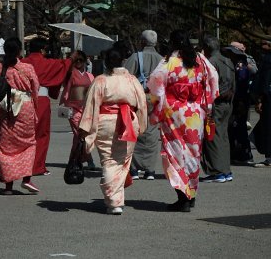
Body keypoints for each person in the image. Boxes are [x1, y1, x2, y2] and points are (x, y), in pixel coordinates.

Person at [147, 30, 219, 212]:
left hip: (175, 113)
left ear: (172, 43)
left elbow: (155, 83)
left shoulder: (169, 62)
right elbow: (213, 78)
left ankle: (183, 197)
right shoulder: (200, 60)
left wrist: (157, 104)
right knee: (193, 154)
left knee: (176, 154)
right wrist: (208, 102)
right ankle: (191, 193)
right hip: (195, 112)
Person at [79, 46, 147, 215]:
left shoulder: (101, 80)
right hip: (128, 122)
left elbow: (91, 105)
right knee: (123, 161)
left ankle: (114, 202)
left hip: (105, 122)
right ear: (123, 61)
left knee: (109, 161)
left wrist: (86, 128)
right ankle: (116, 200)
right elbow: (142, 104)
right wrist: (141, 124)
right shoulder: (131, 80)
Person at [0, 37, 41, 194]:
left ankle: (8, 185)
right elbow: (35, 89)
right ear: (20, 51)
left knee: (6, 146)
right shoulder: (27, 68)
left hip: (6, 109)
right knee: (28, 144)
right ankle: (26, 178)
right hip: (24, 108)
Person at [22, 37, 73, 175]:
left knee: (24, 134)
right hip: (41, 100)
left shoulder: (22, 62)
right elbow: (63, 65)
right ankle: (37, 166)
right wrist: (71, 58)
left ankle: (22, 165)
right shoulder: (47, 63)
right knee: (41, 134)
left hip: (23, 101)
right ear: (42, 49)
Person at [124, 30, 163, 180]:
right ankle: (150, 170)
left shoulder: (135, 57)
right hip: (154, 97)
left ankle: (134, 169)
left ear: (142, 41)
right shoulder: (161, 60)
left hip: (138, 96)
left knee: (135, 129)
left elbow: (125, 75)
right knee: (152, 132)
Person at [201, 36, 236, 183]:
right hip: (228, 103)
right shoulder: (228, 61)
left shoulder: (210, 63)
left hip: (216, 104)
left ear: (207, 47)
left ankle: (218, 171)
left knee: (213, 138)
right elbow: (234, 83)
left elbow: (207, 86)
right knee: (223, 137)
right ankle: (225, 170)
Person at [60, 50, 95, 169]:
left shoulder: (90, 75)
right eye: (76, 60)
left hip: (85, 108)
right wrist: (70, 58)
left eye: (81, 60)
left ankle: (75, 160)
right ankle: (87, 159)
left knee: (81, 134)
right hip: (73, 107)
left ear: (85, 61)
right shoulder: (70, 73)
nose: (78, 62)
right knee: (79, 133)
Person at [222, 45, 254, 165]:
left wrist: (239, 100)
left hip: (240, 99)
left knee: (239, 127)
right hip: (238, 98)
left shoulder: (240, 65)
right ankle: (238, 153)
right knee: (235, 128)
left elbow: (241, 83)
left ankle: (243, 155)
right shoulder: (236, 64)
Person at [251, 40, 271, 167]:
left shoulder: (268, 60)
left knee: (267, 127)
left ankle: (269, 157)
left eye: (265, 43)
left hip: (268, 97)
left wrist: (260, 99)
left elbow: (264, 80)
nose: (262, 45)